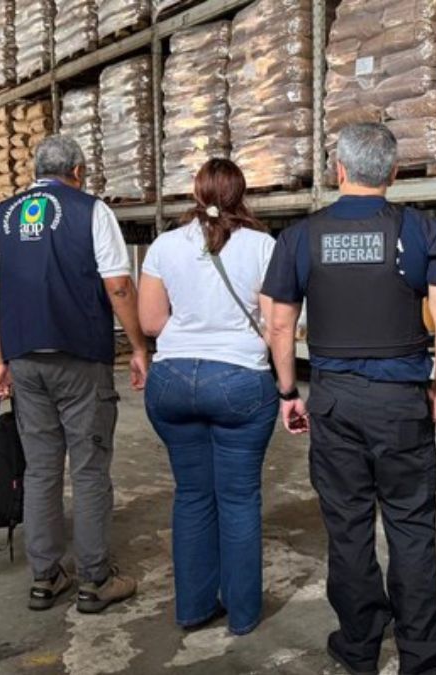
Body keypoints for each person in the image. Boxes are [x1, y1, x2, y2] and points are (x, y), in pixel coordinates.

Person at [263, 123, 436, 675]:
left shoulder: (300, 238)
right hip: (401, 402)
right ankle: (422, 652)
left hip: (333, 402)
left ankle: (358, 646)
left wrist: (288, 392)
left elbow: (279, 326)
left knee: (348, 526)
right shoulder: (425, 231)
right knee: (411, 524)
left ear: (339, 170)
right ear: (394, 173)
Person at [0, 135, 148, 613]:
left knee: (40, 469)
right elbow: (118, 286)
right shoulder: (91, 211)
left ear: (35, 171)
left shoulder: (3, 217)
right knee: (90, 468)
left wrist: (1, 359)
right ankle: (95, 580)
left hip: (24, 358)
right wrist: (140, 346)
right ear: (78, 171)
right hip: (80, 358)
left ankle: (45, 575)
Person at [138, 159, 279, 635]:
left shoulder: (164, 245)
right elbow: (278, 324)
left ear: (196, 193)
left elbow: (151, 323)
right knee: (238, 499)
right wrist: (286, 385)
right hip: (239, 381)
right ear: (242, 193)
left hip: (171, 381)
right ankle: (242, 615)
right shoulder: (262, 246)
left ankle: (194, 608)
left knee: (193, 495)